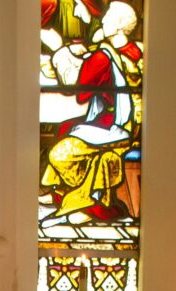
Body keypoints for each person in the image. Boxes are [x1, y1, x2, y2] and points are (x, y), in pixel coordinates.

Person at [41, 1, 142, 226]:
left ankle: (84, 202)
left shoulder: (103, 56)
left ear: (117, 26)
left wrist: (60, 52)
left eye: (107, 18)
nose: (102, 21)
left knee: (60, 153)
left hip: (114, 127)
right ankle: (59, 191)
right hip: (128, 123)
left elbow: (77, 90)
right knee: (67, 128)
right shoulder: (133, 51)